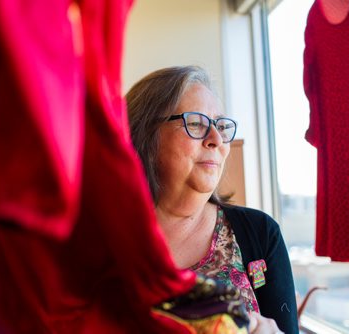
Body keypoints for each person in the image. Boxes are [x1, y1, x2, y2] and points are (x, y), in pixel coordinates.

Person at [126, 65, 299, 333]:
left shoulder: (260, 234)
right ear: (144, 134)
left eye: (220, 125)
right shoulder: (97, 243)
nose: (217, 140)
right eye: (195, 123)